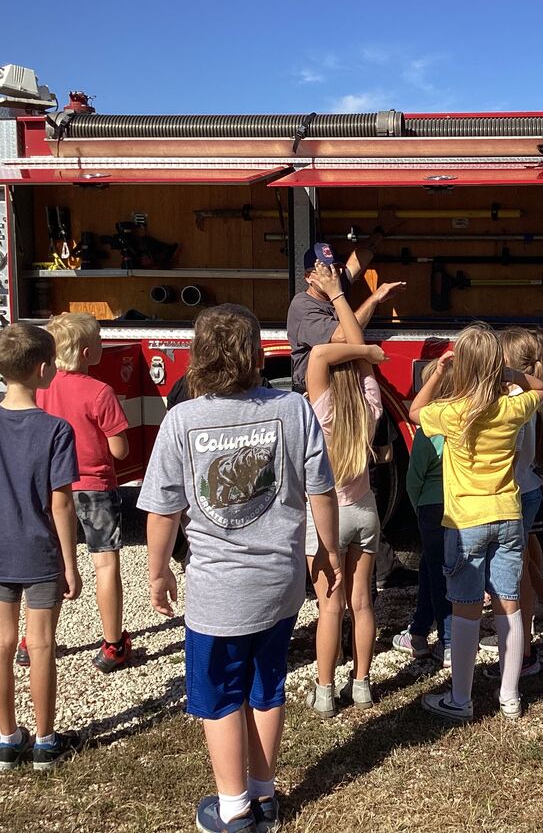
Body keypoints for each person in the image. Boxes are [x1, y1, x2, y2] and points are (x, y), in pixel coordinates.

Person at [139, 305, 340, 833]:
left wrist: (158, 570)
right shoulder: (294, 408)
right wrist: (328, 549)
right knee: (266, 683)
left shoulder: (182, 420)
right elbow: (320, 488)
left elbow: (163, 509)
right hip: (280, 583)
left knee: (220, 693)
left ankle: (232, 808)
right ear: (257, 354)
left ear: (197, 356)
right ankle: (265, 793)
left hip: (218, 592)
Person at [0, 322, 83, 772]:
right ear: (44, 369)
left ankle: (7, 739)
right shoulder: (55, 430)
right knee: (41, 645)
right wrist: (71, 563)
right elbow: (60, 504)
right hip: (41, 554)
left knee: (0, 643)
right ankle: (46, 740)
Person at [409, 324, 543, 721]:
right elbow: (541, 389)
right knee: (509, 607)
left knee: (466, 608)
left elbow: (415, 411)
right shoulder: (510, 408)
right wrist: (510, 374)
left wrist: (437, 372)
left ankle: (461, 698)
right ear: (496, 367)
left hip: (464, 521)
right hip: (507, 515)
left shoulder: (452, 413)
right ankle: (509, 697)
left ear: (463, 367)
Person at [303, 263, 388, 717]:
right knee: (362, 601)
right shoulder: (369, 403)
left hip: (327, 518)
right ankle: (362, 683)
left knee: (330, 607)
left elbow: (318, 356)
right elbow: (356, 359)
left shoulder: (322, 408)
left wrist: (362, 344)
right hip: (365, 511)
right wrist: (368, 354)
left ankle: (324, 690)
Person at [34, 312, 132, 672]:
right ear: (89, 351)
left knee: (54, 560)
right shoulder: (100, 392)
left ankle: (36, 640)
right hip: (94, 486)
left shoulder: (42, 388)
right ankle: (112, 644)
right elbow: (119, 449)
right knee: (104, 562)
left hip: (51, 486)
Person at [483, 327, 543, 679]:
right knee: (521, 568)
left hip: (511, 491)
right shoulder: (535, 395)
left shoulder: (514, 399)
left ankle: (520, 652)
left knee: (511, 577)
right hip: (530, 485)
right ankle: (523, 641)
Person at [285, 234, 404, 393]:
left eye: (336, 268)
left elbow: (356, 263)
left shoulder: (335, 284)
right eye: (324, 270)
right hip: (316, 392)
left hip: (341, 388)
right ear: (308, 277)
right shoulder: (302, 305)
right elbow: (343, 336)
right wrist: (374, 298)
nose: (332, 275)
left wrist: (381, 231)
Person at [394, 359, 453, 668]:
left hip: (430, 508)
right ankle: (418, 631)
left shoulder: (427, 430)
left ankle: (446, 640)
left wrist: (418, 507)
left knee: (438, 573)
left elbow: (413, 478)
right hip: (457, 505)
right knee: (436, 569)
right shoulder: (461, 425)